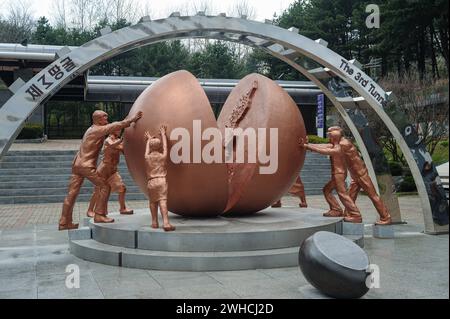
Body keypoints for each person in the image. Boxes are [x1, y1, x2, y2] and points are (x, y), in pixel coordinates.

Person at [58, 110, 142, 230]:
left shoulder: (91, 129)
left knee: (72, 194)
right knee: (105, 187)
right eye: (104, 118)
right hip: (86, 166)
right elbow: (115, 126)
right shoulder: (98, 129)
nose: (106, 120)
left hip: (77, 164)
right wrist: (132, 119)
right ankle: (99, 215)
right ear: (97, 120)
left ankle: (64, 222)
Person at [299, 128, 362, 223]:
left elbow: (324, 151)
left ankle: (356, 215)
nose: (328, 137)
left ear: (334, 137)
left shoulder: (338, 148)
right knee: (327, 190)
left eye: (330, 136)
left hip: (339, 174)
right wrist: (307, 145)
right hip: (337, 174)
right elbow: (324, 146)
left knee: (342, 194)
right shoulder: (335, 145)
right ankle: (336, 210)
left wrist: (307, 147)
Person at [86, 129, 134, 218]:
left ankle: (122, 208)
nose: (119, 131)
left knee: (122, 188)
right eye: (118, 129)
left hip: (113, 171)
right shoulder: (108, 140)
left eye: (120, 130)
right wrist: (122, 140)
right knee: (98, 191)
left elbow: (123, 149)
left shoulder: (117, 141)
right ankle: (90, 210)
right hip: (103, 170)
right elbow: (112, 145)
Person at [144, 125, 175, 232]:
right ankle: (166, 223)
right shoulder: (162, 156)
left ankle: (154, 222)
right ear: (159, 146)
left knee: (152, 202)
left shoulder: (147, 157)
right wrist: (163, 134)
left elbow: (147, 150)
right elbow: (166, 147)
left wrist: (148, 140)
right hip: (161, 180)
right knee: (163, 201)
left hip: (151, 181)